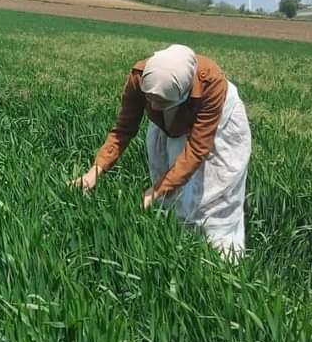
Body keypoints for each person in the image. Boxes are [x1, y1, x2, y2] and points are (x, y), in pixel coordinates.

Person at [72, 44, 252, 257]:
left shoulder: (212, 84)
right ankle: (178, 246)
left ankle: (222, 256)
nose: (154, 107)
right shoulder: (141, 79)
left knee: (212, 193)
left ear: (183, 91)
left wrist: (156, 190)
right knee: (170, 185)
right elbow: (123, 129)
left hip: (219, 125)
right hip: (172, 123)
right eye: (150, 98)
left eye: (162, 101)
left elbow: (197, 148)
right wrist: (95, 170)